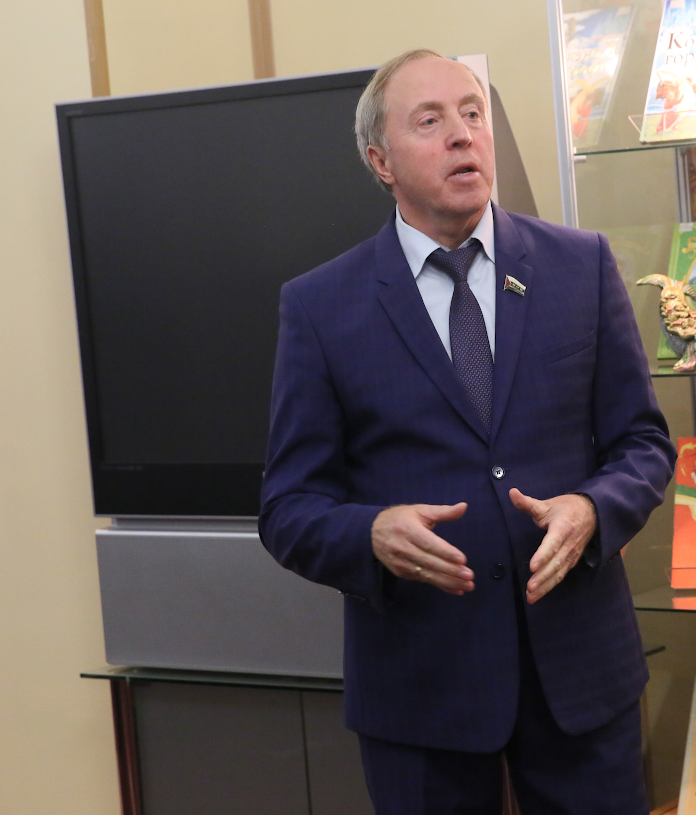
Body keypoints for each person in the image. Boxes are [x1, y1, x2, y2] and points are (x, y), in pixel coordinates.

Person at [259, 48, 674, 814]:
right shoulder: (321, 306)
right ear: (381, 161)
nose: (462, 134)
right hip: (421, 686)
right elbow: (288, 508)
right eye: (430, 120)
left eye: (471, 113)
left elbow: (643, 444)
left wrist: (592, 508)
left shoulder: (579, 266)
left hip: (581, 674)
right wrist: (370, 533)